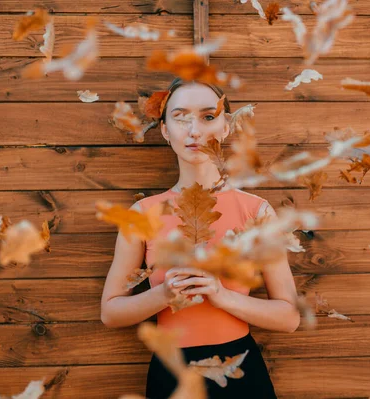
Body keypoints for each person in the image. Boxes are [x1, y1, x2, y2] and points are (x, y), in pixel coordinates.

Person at [100, 77, 300, 398]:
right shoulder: (142, 214)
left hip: (240, 371)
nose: (194, 130)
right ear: (165, 131)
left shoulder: (256, 211)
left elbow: (289, 318)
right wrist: (165, 293)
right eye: (180, 117)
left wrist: (221, 296)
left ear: (225, 128)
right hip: (172, 373)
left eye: (208, 117)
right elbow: (110, 312)